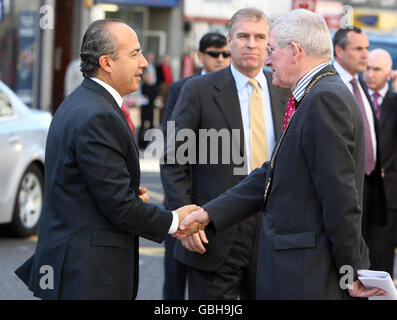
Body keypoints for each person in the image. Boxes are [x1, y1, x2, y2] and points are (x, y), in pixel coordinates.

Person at [180, 9, 386, 299]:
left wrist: (351, 270)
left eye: (272, 50)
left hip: (305, 275)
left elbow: (340, 196)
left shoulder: (323, 98)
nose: (266, 59)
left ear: (295, 51)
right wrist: (209, 213)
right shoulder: (316, 94)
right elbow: (272, 172)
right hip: (297, 270)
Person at [14, 19, 200, 300]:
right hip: (88, 274)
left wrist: (122, 190)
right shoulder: (98, 115)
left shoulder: (82, 101)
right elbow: (119, 207)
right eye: (135, 54)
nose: (144, 64)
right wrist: (174, 222)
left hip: (76, 266)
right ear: (107, 62)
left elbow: (80, 183)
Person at [161, 8, 289, 300]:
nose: (251, 44)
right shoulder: (198, 90)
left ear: (269, 44)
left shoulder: (286, 89)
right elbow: (173, 159)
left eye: (259, 37)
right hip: (214, 231)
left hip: (272, 233)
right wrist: (185, 219)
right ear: (230, 40)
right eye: (243, 36)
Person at [161, 31, 231, 300]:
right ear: (201, 56)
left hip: (222, 194)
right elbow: (172, 143)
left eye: (225, 53)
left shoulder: (236, 88)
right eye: (215, 54)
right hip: (185, 191)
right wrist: (181, 206)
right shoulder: (183, 88)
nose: (221, 59)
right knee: (176, 270)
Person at [333, 27, 387, 242]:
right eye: (358, 49)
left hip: (368, 185)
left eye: (367, 48)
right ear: (338, 50)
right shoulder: (329, 84)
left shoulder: (361, 84)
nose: (365, 54)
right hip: (342, 187)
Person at [363, 48, 397, 277]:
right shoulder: (354, 96)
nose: (370, 74)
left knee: (381, 261)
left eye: (376, 70)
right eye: (367, 68)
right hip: (360, 193)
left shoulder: (395, 101)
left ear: (389, 73)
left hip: (388, 197)